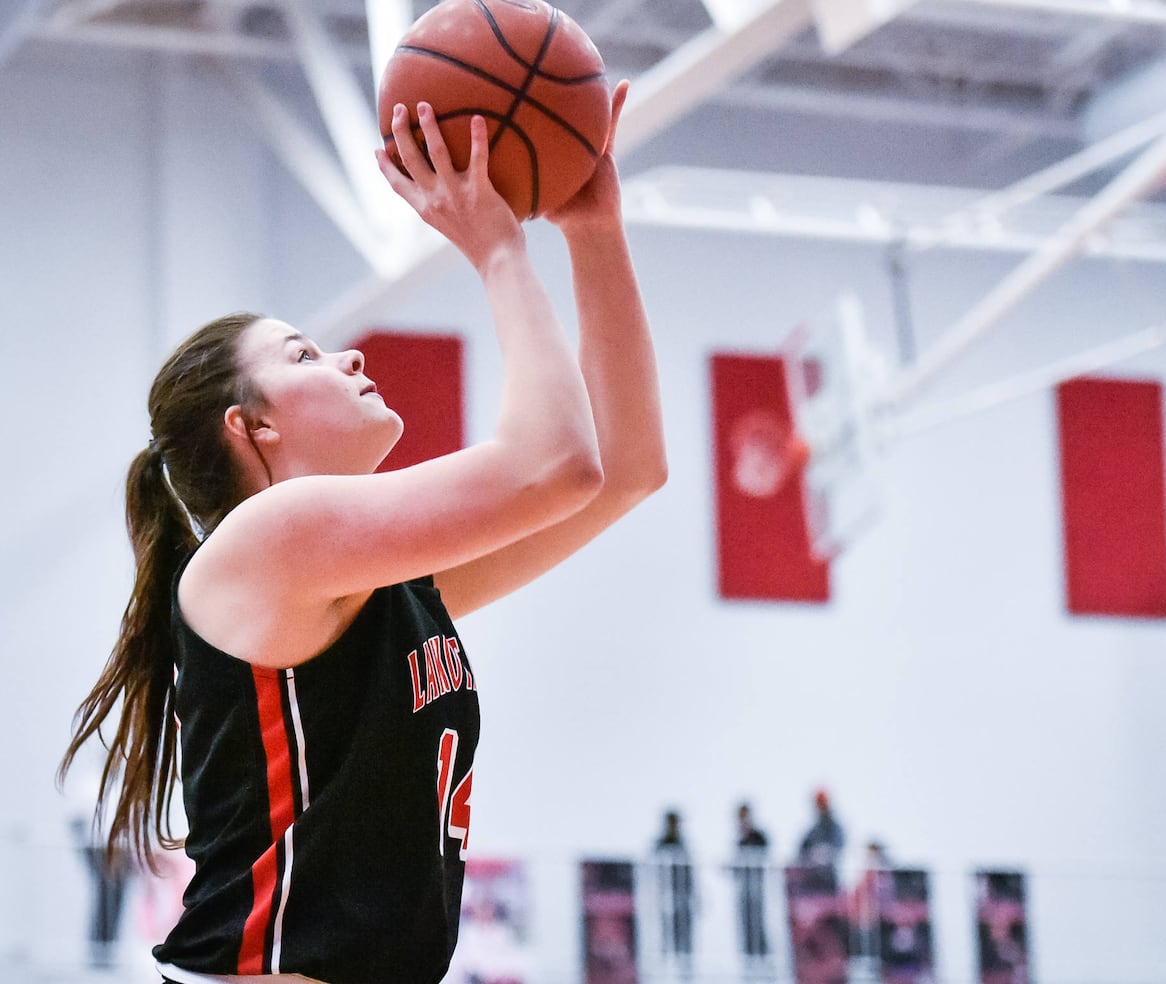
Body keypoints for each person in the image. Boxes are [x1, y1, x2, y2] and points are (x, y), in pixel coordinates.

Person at [56, 81, 665, 984]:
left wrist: (592, 230)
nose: (347, 356)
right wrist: (496, 246)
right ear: (251, 427)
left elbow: (623, 470)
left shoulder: (378, 582)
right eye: (302, 354)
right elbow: (557, 463)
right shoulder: (269, 542)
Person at [652, 809, 696, 971]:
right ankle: (666, 968)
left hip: (683, 895)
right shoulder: (660, 844)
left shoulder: (683, 843)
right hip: (665, 895)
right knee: (666, 934)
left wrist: (694, 894)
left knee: (684, 933)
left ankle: (685, 967)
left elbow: (690, 872)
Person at [730, 802, 770, 964]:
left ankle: (762, 957)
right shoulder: (740, 839)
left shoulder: (758, 836)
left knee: (757, 923)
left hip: (756, 888)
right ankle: (749, 958)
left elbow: (764, 852)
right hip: (744, 890)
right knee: (745, 924)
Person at [798, 788, 847, 880]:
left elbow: (838, 847)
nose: (819, 808)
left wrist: (824, 853)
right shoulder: (813, 830)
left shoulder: (834, 827)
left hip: (829, 877)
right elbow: (802, 849)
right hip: (811, 877)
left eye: (821, 804)